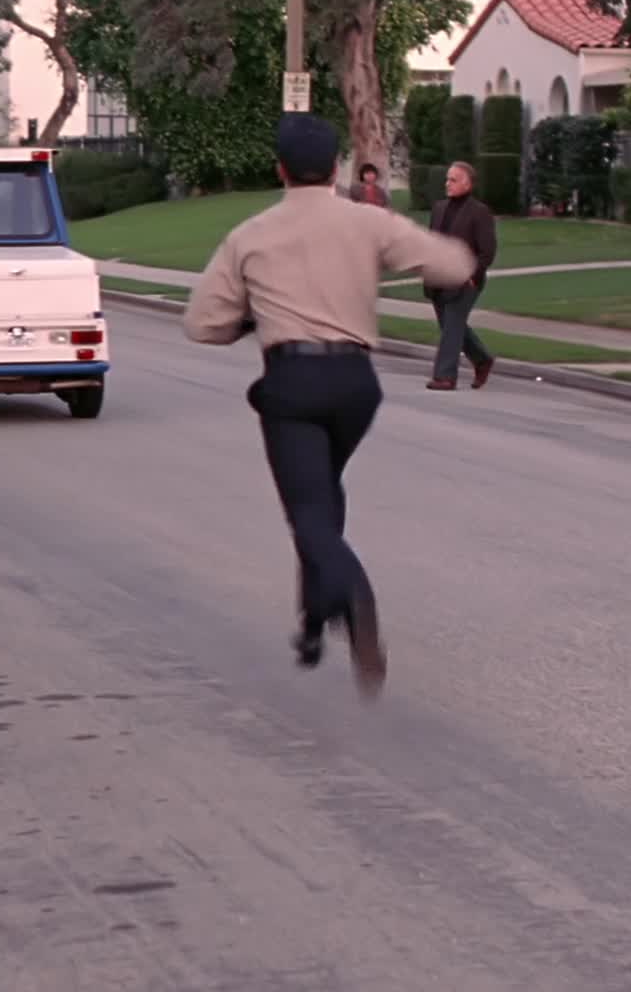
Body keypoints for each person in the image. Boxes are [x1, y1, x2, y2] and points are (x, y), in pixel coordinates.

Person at [182, 114, 476, 698]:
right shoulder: (366, 221)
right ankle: (314, 623)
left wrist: (249, 319)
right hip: (354, 386)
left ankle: (355, 602)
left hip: (293, 384)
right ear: (336, 166)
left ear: (281, 170)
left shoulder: (251, 235)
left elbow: (202, 323)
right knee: (322, 499)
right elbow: (454, 265)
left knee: (310, 514)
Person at [425, 161, 499, 390]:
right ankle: (482, 359)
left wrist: (473, 276)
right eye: (447, 179)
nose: (448, 183)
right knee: (451, 326)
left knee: (452, 325)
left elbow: (487, 251)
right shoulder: (439, 208)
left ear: (468, 184)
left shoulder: (479, 212)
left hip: (466, 281)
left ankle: (445, 377)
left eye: (453, 180)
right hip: (439, 278)